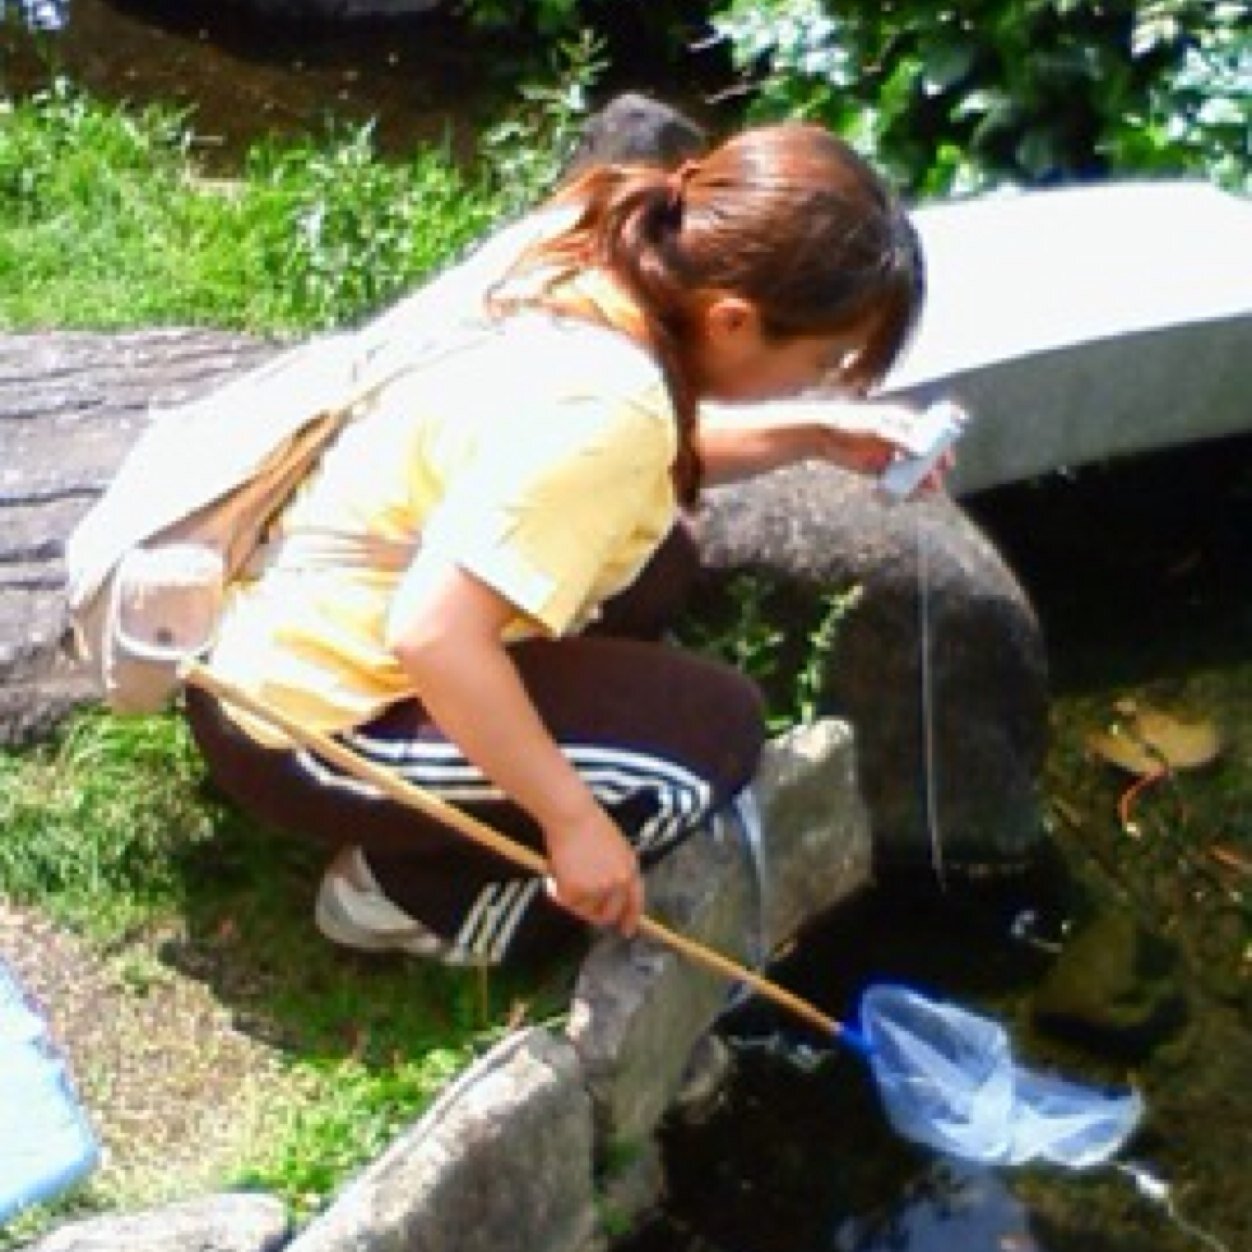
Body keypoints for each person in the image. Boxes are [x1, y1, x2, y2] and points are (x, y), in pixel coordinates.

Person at [185, 121, 930, 968]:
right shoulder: (613, 410)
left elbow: (623, 460)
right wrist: (571, 822)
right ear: (731, 319)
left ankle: (490, 791)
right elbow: (432, 635)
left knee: (659, 559)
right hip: (306, 730)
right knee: (707, 747)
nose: (825, 380)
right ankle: (410, 899)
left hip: (276, 621)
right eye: (826, 362)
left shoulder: (598, 252)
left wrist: (810, 432)